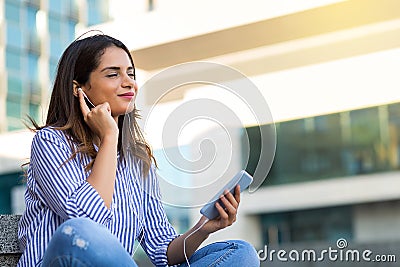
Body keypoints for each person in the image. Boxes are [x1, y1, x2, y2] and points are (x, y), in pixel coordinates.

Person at [17, 33, 260, 267]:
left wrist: (204, 227)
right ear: (78, 88)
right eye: (113, 74)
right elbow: (88, 219)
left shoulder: (136, 160)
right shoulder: (50, 142)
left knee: (239, 254)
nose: (128, 82)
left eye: (130, 73)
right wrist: (110, 136)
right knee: (79, 231)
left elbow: (162, 250)